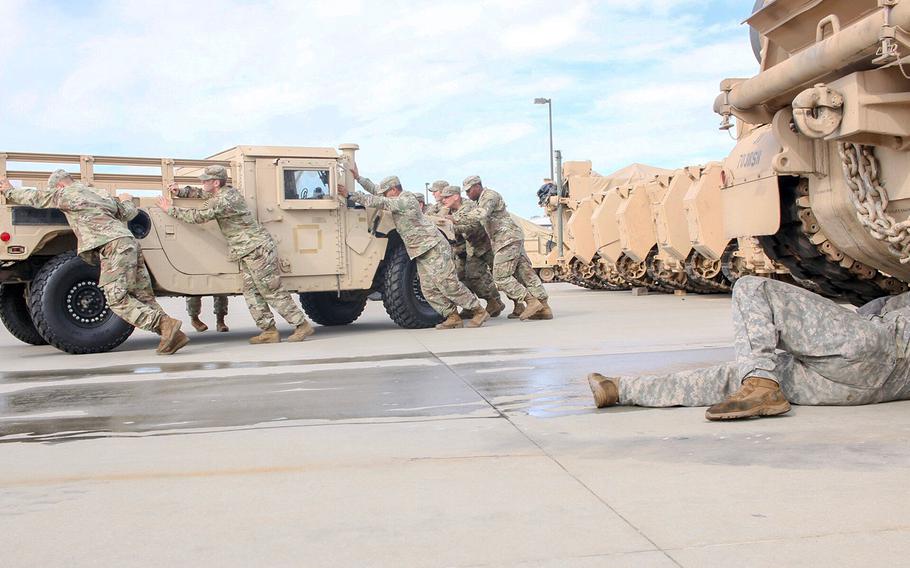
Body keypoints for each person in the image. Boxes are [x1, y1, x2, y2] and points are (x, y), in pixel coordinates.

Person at [587, 276, 910, 420]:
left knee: (752, 288)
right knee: (732, 377)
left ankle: (762, 384)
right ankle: (619, 389)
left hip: (878, 350)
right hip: (862, 390)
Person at [0, 171, 188, 354]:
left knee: (116, 300)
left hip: (112, 246)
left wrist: (9, 190)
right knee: (143, 296)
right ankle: (173, 335)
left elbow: (37, 198)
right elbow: (127, 213)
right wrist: (126, 199)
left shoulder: (68, 193)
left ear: (60, 185)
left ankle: (164, 325)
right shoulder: (99, 193)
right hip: (129, 243)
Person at [157, 165, 314, 344]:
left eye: (206, 180)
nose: (203, 183)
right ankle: (269, 330)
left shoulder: (225, 200)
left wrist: (169, 209)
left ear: (216, 182)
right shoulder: (223, 193)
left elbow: (198, 217)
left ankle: (301, 325)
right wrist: (181, 192)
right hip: (246, 249)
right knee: (251, 291)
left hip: (256, 249)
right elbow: (204, 194)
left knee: (270, 289)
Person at [340, 164, 488, 329]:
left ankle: (478, 310)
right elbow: (377, 192)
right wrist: (359, 178)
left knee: (447, 283)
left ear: (394, 190)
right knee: (428, 288)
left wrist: (351, 195)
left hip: (433, 246)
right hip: (419, 250)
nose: (384, 195)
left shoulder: (406, 200)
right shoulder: (395, 198)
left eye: (387, 192)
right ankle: (451, 316)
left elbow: (380, 201)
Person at [463, 175, 552, 320]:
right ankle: (544, 307)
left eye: (468, 191)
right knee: (525, 273)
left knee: (501, 277)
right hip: (510, 238)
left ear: (477, 186)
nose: (467, 194)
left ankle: (531, 301)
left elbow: (481, 214)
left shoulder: (489, 196)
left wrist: (455, 219)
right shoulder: (481, 200)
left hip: (506, 240)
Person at [438, 185, 505, 317]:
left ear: (456, 196)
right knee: (470, 275)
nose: (443, 200)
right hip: (472, 248)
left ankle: (519, 303)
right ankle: (490, 303)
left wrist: (451, 228)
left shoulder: (469, 206)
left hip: (486, 245)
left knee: (502, 276)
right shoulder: (448, 210)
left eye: (446, 197)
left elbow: (472, 227)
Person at [170, 185, 230, 333]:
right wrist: (180, 192)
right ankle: (194, 318)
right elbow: (197, 192)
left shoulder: (224, 197)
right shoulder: (211, 195)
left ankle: (220, 320)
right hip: (197, 245)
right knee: (194, 285)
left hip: (217, 244)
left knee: (220, 284)